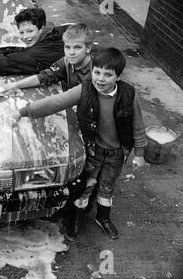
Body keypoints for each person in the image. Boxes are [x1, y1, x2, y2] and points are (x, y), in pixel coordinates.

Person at [9, 47, 147, 240]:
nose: (100, 78)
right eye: (97, 72)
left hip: (116, 153)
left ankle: (103, 218)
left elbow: (138, 125)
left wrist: (139, 153)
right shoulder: (85, 89)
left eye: (108, 75)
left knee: (107, 187)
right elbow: (56, 102)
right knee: (86, 186)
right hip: (93, 150)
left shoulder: (128, 95)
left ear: (118, 76)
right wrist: (23, 112)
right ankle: (76, 219)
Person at [0, 23, 93, 94]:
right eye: (67, 47)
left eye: (77, 47)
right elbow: (43, 77)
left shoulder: (95, 71)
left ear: (88, 48)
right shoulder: (65, 62)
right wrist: (14, 85)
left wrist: (23, 112)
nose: (71, 53)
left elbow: (64, 101)